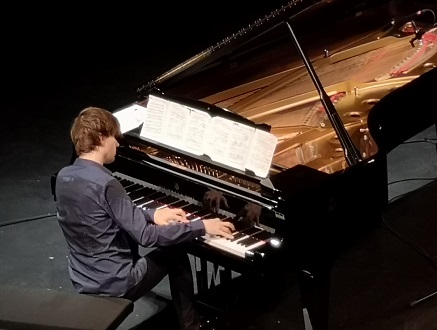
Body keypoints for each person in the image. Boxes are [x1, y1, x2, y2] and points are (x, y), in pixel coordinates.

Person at [55, 106, 236, 330]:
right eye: (115, 137)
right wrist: (201, 226)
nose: (118, 144)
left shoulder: (64, 176)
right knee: (177, 251)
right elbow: (147, 237)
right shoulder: (106, 182)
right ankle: (192, 326)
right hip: (115, 283)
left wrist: (154, 214)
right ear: (101, 137)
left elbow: (106, 213)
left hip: (84, 278)